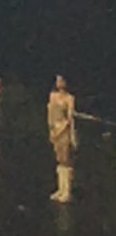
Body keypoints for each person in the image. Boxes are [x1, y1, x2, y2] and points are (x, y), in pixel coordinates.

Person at [47, 74, 77, 202]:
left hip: (64, 130)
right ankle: (60, 188)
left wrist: (67, 132)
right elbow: (50, 113)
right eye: (57, 80)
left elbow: (70, 118)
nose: (59, 83)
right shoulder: (53, 96)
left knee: (66, 159)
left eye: (61, 80)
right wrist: (51, 129)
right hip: (55, 128)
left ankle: (67, 190)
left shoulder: (69, 98)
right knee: (59, 159)